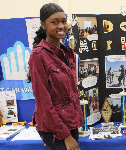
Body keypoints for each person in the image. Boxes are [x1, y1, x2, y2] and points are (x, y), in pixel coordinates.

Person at [28, 3, 83, 150]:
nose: (61, 26)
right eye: (54, 22)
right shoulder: (38, 56)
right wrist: (65, 136)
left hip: (69, 123)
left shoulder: (66, 53)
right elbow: (43, 103)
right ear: (43, 25)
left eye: (63, 21)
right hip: (57, 130)